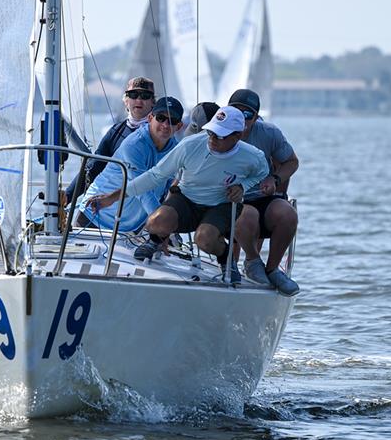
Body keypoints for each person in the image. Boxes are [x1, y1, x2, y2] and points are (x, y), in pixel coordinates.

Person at [88, 106, 269, 284]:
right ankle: (155, 240)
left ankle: (225, 260)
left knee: (204, 239)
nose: (212, 139)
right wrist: (111, 198)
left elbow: (262, 172)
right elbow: (154, 176)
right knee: (155, 222)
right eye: (211, 132)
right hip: (187, 199)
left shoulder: (253, 156)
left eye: (220, 135)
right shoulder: (189, 145)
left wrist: (243, 186)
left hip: (220, 204)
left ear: (238, 136)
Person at [227, 89, 300, 296]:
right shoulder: (216, 131)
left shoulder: (269, 134)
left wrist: (275, 179)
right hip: (228, 199)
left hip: (261, 196)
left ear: (257, 118)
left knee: (287, 214)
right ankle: (248, 261)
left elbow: (291, 162)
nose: (241, 118)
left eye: (247, 114)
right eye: (235, 111)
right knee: (247, 215)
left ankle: (271, 269)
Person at [76, 97, 185, 231]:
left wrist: (170, 229)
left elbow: (171, 190)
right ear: (150, 118)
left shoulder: (177, 150)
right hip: (95, 217)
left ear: (179, 126)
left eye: (172, 121)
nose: (166, 125)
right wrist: (162, 228)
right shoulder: (133, 145)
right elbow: (142, 189)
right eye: (161, 118)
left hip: (132, 228)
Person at [64, 76, 156, 203]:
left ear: (153, 102)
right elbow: (93, 168)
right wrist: (67, 196)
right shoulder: (116, 131)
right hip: (113, 206)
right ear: (126, 101)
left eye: (145, 96)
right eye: (133, 95)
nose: (139, 100)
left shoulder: (158, 133)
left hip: (142, 206)